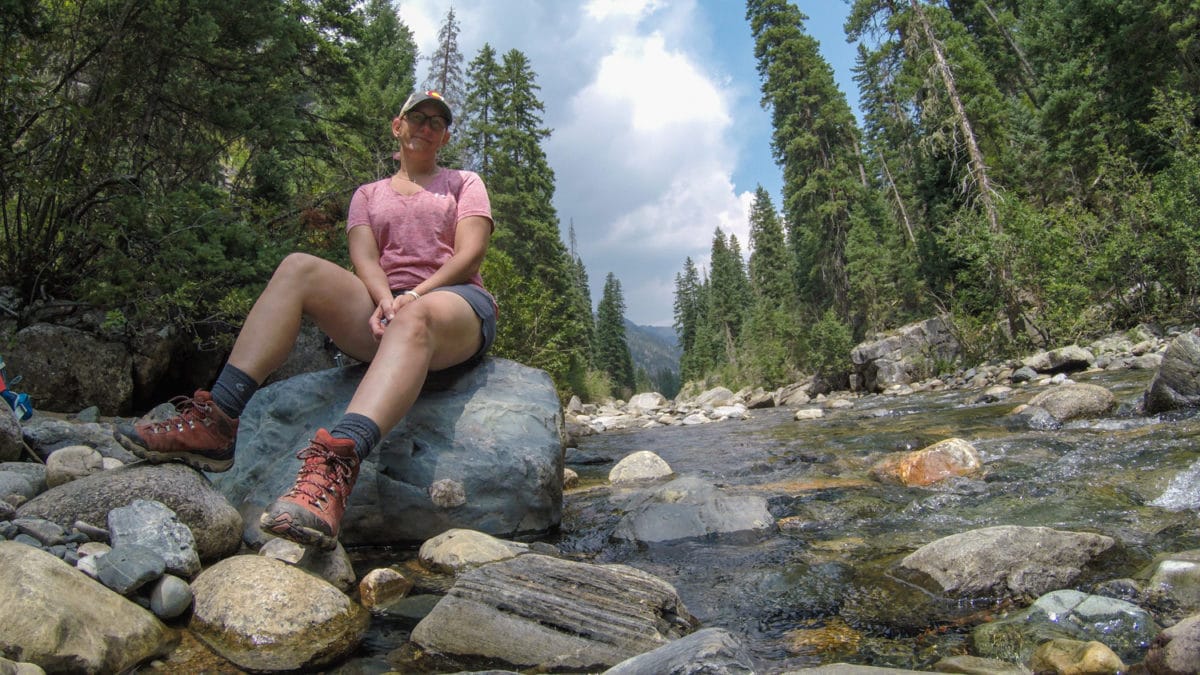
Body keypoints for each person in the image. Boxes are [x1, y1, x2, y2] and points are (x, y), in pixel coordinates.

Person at [115, 90, 496, 550]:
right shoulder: (368, 195)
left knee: (415, 316)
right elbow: (364, 256)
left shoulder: (463, 183)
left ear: (445, 136)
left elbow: (471, 251)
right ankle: (218, 420)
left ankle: (335, 468)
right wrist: (384, 299)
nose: (426, 126)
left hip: (453, 306)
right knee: (298, 266)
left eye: (437, 122)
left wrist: (413, 295)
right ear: (397, 126)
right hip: (385, 310)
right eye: (418, 117)